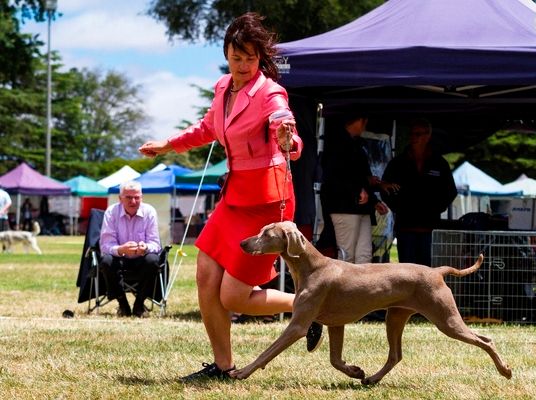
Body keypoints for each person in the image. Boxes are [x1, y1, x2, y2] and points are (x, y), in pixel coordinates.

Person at [138, 12, 321, 381]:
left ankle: (310, 306)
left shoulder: (270, 92)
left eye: (251, 58)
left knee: (234, 297)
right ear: (226, 54)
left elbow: (285, 126)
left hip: (266, 203)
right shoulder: (223, 87)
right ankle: (223, 367)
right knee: (205, 277)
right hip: (234, 198)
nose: (243, 66)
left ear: (260, 58)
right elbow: (208, 128)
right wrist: (167, 145)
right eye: (237, 58)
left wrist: (288, 138)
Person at [382, 118, 457, 266]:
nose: (413, 137)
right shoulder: (398, 163)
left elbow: (450, 191)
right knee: (407, 270)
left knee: (427, 270)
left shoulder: (439, 163)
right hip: (405, 226)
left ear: (428, 136)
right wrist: (400, 208)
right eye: (411, 134)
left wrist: (435, 208)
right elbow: (385, 188)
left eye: (418, 134)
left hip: (430, 227)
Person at [320, 111, 389, 264]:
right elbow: (334, 176)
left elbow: (362, 176)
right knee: (346, 255)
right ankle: (343, 282)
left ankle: (362, 282)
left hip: (361, 208)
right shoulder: (337, 144)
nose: (365, 126)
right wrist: (358, 189)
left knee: (364, 255)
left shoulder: (356, 144)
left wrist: (373, 201)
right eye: (364, 121)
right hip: (343, 207)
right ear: (358, 121)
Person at [99, 181, 161, 318]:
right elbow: (105, 246)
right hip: (119, 259)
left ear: (142, 197)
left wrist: (146, 247)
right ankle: (123, 304)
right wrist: (121, 249)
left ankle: (139, 304)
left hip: (142, 259)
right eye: (128, 197)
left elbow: (156, 244)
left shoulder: (149, 211)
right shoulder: (111, 212)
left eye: (137, 197)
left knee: (153, 260)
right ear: (120, 198)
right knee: (106, 260)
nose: (133, 201)